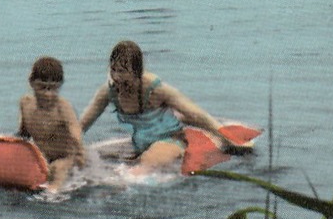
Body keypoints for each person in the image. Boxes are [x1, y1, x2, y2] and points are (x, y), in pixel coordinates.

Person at [79, 40, 251, 174]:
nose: (116, 77)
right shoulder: (108, 92)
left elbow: (197, 114)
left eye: (123, 71)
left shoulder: (157, 90)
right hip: (140, 142)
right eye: (114, 70)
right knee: (87, 157)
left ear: (137, 72)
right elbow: (82, 125)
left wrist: (230, 140)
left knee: (143, 166)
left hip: (170, 139)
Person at [17, 56, 86, 191]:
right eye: (42, 87)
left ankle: (51, 196)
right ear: (31, 82)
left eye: (53, 89)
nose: (48, 94)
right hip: (42, 158)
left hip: (66, 158)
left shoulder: (63, 108)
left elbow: (75, 131)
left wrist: (80, 155)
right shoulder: (26, 104)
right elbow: (23, 134)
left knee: (58, 169)